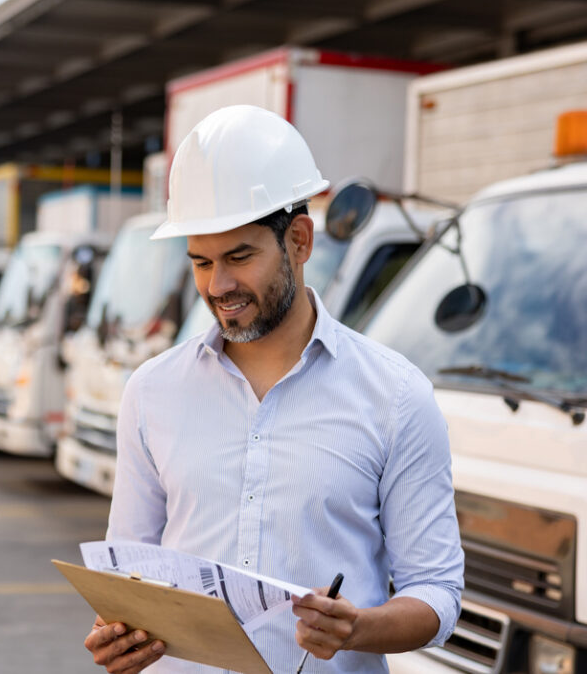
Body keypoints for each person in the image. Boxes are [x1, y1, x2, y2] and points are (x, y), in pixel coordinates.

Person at [83, 105, 464, 673]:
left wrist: (359, 628)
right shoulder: (151, 392)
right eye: (201, 262)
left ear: (300, 242)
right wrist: (116, 635)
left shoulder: (396, 397)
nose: (219, 285)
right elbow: (127, 577)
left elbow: (437, 592)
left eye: (240, 256)